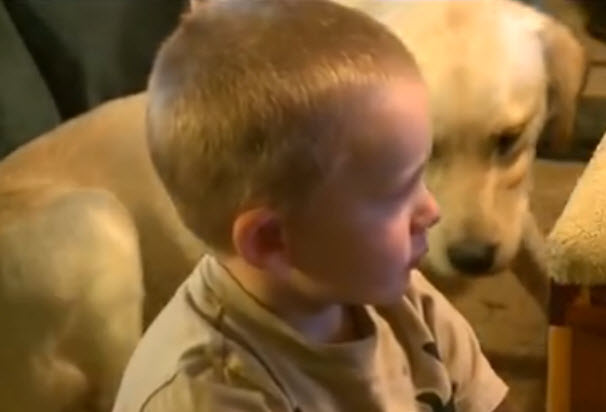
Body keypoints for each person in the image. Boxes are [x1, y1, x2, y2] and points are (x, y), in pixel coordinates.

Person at [113, 0, 511, 410]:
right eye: (398, 193)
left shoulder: (395, 292)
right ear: (271, 240)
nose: (431, 210)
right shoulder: (204, 394)